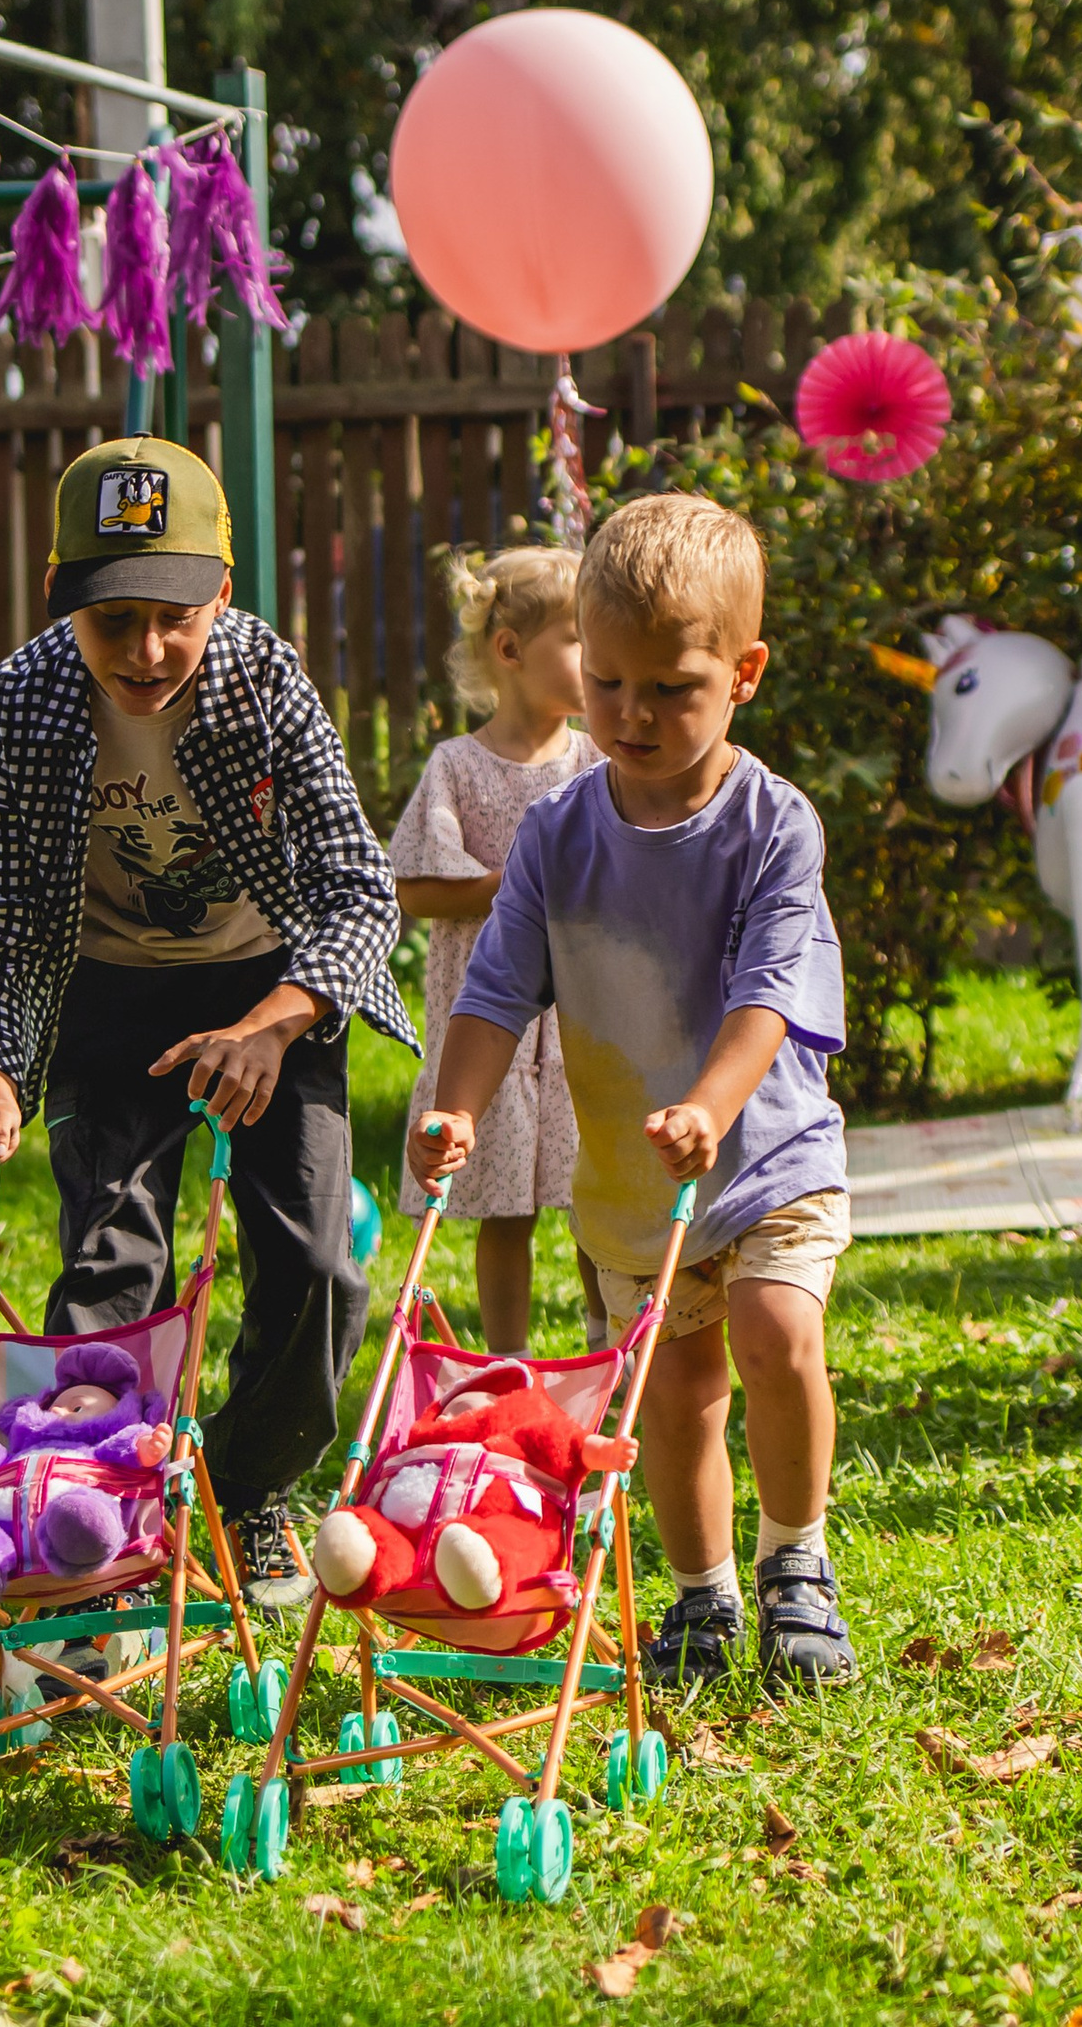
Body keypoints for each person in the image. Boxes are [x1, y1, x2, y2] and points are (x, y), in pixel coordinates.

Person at [0, 435, 416, 1606]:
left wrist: (272, 1023)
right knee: (111, 1268)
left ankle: (245, 1489)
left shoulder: (263, 678)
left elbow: (361, 887)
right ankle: (89, 1521)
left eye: (174, 616)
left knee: (313, 1266)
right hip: (109, 992)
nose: (147, 651)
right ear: (65, 602)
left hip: (268, 988)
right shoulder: (25, 696)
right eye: (114, 623)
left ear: (223, 593)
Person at [407, 492, 856, 1692]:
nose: (632, 714)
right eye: (606, 684)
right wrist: (453, 1104)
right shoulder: (559, 832)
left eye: (671, 688)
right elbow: (497, 988)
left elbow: (767, 994)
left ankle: (794, 1565)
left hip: (761, 1148)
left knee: (775, 1330)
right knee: (673, 1390)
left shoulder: (772, 825)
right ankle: (702, 1592)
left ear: (745, 674)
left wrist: (709, 1104)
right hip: (624, 1177)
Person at [390, 545, 602, 1353]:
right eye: (580, 639)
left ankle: (601, 1341)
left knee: (595, 1188)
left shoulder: (600, 765)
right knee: (505, 1202)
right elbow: (413, 885)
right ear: (510, 650)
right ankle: (508, 1361)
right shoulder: (458, 767)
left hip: (583, 1014)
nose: (599, 661)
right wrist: (508, 886)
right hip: (496, 1024)